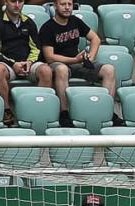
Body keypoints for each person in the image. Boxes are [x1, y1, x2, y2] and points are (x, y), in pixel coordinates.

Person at [39, 0, 121, 128]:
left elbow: (96, 39)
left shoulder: (75, 21)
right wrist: (74, 60)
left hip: (77, 62)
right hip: (58, 63)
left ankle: (108, 111)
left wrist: (90, 58)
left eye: (69, 4)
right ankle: (64, 113)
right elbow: (49, 57)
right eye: (63, 4)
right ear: (55, 6)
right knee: (61, 69)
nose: (67, 7)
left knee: (109, 69)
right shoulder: (47, 27)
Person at [0, 0, 53, 127]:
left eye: (20, 1)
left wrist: (29, 62)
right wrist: (13, 64)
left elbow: (37, 48)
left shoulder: (29, 22)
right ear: (6, 2)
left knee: (46, 70)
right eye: (13, 1)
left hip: (28, 63)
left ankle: (37, 110)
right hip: (7, 65)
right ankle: (7, 111)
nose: (17, 5)